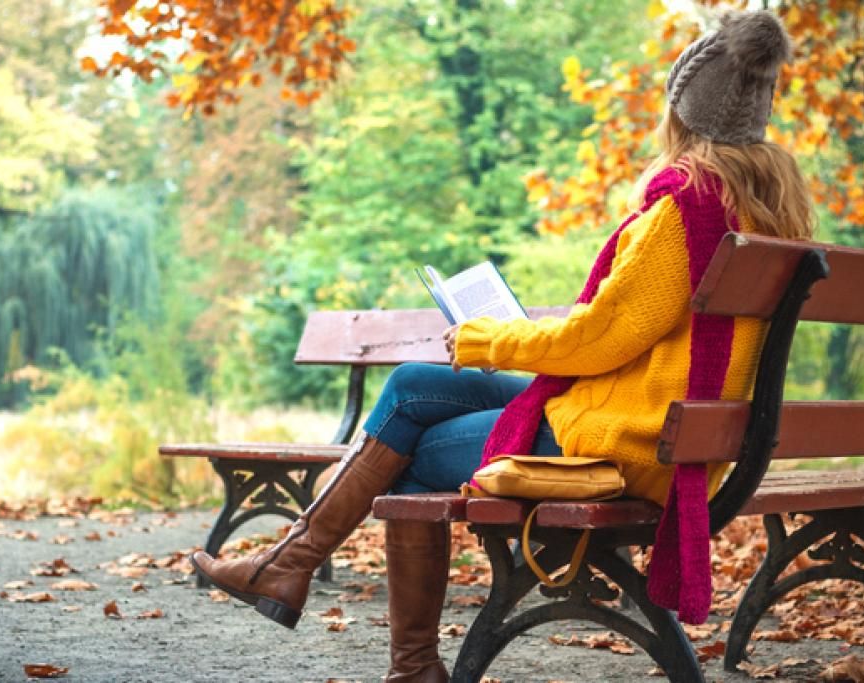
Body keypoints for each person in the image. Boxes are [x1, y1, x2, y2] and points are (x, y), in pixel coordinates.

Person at [191, 8, 813, 682]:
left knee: (409, 453)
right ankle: (288, 568)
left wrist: (486, 337)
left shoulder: (684, 210)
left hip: (628, 441)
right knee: (409, 385)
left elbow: (596, 337)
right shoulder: (767, 209)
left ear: (683, 112)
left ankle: (392, 652)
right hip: (665, 425)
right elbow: (619, 334)